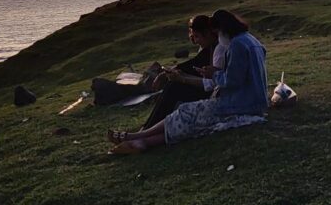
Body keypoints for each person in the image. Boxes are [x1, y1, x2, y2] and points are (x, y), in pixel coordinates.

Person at [109, 9, 267, 154]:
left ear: (222, 30)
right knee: (196, 123)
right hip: (255, 100)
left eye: (217, 33)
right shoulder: (252, 41)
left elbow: (233, 81)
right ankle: (143, 141)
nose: (218, 38)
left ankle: (137, 135)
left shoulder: (236, 45)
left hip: (242, 103)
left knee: (188, 112)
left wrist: (214, 74)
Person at [141, 15, 220, 130]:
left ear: (207, 33)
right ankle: (149, 127)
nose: (195, 41)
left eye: (197, 36)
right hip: (210, 90)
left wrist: (180, 77)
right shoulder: (210, 47)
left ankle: (149, 128)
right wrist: (167, 73)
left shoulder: (218, 49)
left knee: (174, 88)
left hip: (215, 95)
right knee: (173, 85)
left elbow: (210, 80)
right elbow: (191, 65)